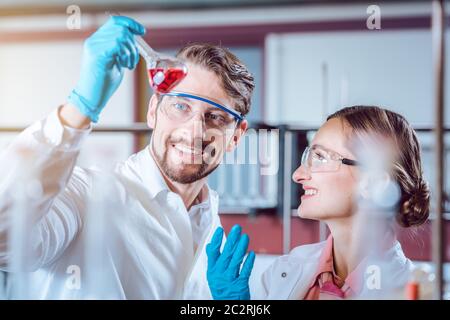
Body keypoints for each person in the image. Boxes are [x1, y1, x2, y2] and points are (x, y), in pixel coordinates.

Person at [0, 15, 254, 299]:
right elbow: (6, 239)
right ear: (153, 110)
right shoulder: (86, 197)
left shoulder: (213, 230)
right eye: (181, 106)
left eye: (215, 117)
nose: (194, 132)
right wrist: (79, 108)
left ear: (236, 136)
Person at [207, 106, 430, 300]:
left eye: (320, 158)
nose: (297, 174)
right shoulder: (286, 270)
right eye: (308, 158)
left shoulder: (414, 292)